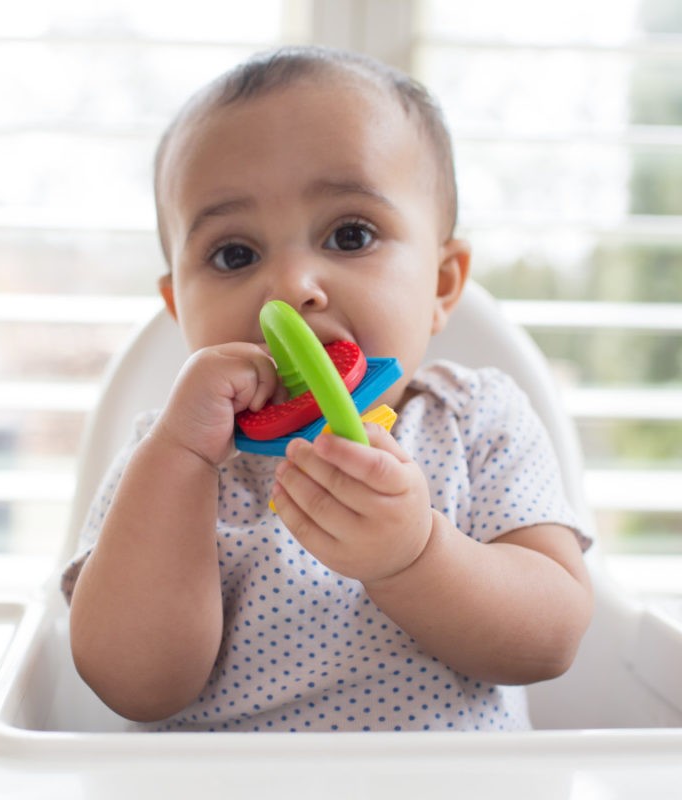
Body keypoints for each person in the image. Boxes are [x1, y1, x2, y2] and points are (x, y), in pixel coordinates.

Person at [62, 45, 593, 732]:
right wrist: (180, 461)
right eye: (234, 254)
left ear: (441, 283)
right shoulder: (166, 455)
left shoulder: (475, 420)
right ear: (178, 308)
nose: (289, 288)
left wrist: (417, 556)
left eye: (350, 235)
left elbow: (550, 640)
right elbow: (132, 683)